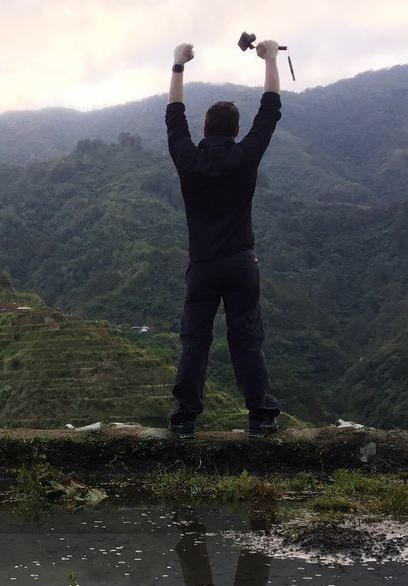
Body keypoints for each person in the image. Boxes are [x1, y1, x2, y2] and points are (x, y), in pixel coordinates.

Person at [165, 40, 283, 440]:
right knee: (246, 337)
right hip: (240, 264)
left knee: (195, 340)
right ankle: (261, 418)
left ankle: (184, 420)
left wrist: (178, 65)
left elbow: (173, 116)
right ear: (236, 130)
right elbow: (269, 112)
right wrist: (269, 59)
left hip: (202, 266)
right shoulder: (244, 156)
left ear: (203, 129)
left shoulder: (188, 159)